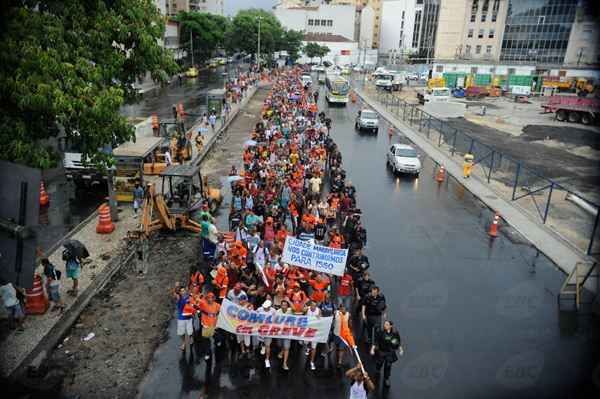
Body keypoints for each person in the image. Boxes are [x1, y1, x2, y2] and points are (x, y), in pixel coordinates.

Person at [371, 320, 403, 387]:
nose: (385, 325)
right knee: (380, 362)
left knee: (388, 366)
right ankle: (378, 368)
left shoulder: (395, 333)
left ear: (390, 326)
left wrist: (400, 349)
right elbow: (376, 341)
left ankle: (386, 378)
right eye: (385, 324)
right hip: (382, 351)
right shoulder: (381, 332)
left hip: (390, 352)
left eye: (387, 324)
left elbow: (398, 342)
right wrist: (372, 349)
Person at [194, 292, 221, 361]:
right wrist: (197, 297)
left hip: (213, 325)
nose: (210, 299)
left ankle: (218, 340)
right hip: (206, 326)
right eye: (209, 298)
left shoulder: (217, 305)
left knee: (215, 335)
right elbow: (196, 301)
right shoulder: (203, 303)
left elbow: (223, 311)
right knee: (206, 341)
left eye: (212, 298)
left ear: (214, 299)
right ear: (206, 299)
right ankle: (208, 353)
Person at [173, 282, 194, 352]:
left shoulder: (189, 296)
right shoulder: (179, 297)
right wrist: (176, 287)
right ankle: (184, 342)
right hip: (181, 318)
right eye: (181, 291)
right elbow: (175, 294)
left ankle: (191, 338)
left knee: (190, 332)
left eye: (184, 290)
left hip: (189, 317)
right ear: (180, 292)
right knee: (181, 333)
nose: (183, 292)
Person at [258, 299, 276, 368]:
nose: (265, 308)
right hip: (260, 330)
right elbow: (253, 315)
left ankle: (267, 359)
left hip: (269, 331)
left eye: (266, 307)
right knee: (262, 342)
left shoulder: (273, 311)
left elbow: (276, 319)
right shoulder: (259, 309)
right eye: (264, 307)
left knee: (268, 345)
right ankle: (262, 346)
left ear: (269, 307)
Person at [304, 300, 321, 370]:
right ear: (310, 305)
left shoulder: (318, 310)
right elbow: (302, 316)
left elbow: (321, 319)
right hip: (307, 331)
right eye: (312, 305)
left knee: (314, 348)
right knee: (306, 343)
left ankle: (312, 362)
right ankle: (308, 347)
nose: (313, 307)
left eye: (315, 305)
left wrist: (319, 317)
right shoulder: (307, 309)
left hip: (315, 332)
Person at [277, 300, 292, 370]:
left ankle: (284, 363)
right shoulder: (278, 312)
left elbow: (297, 311)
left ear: (287, 306)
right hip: (279, 333)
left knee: (287, 347)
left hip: (288, 333)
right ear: (280, 306)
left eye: (285, 305)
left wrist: (289, 301)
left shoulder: (290, 311)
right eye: (282, 305)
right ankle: (281, 351)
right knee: (280, 345)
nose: (284, 307)